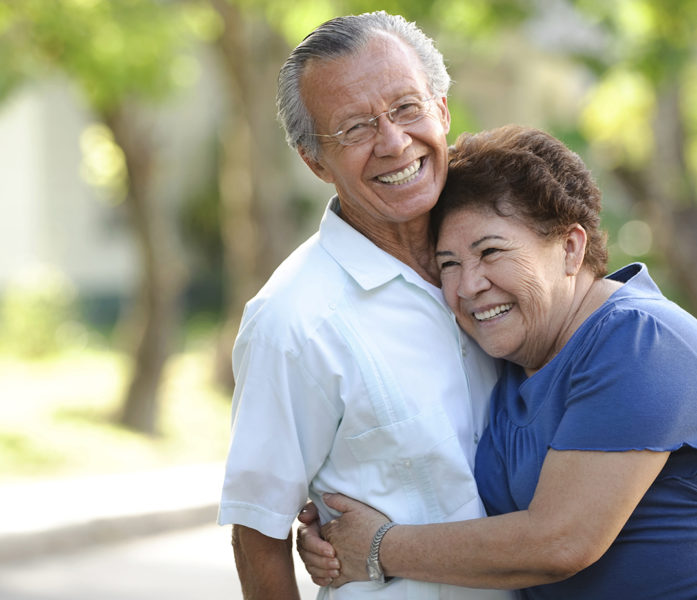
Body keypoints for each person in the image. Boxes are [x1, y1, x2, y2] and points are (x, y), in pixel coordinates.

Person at [298, 125, 697, 599]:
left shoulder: (640, 339)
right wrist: (333, 519)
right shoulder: (515, 357)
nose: (468, 286)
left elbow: (559, 542)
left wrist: (379, 547)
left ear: (571, 248)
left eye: (490, 252)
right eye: (448, 264)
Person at [217, 10, 514, 600]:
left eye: (407, 108)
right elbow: (258, 529)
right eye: (354, 128)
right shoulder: (294, 321)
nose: (394, 142)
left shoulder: (504, 260)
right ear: (314, 161)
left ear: (442, 110)